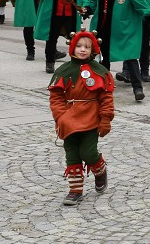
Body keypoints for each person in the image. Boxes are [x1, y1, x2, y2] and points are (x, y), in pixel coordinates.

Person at [49, 30, 114, 206]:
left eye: (87, 47)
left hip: (91, 118)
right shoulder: (64, 70)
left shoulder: (100, 72)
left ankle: (100, 170)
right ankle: (75, 191)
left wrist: (105, 119)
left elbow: (106, 98)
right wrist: (60, 116)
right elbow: (56, 97)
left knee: (88, 152)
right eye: (79, 46)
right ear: (72, 47)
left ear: (93, 49)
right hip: (68, 120)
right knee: (72, 155)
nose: (82, 49)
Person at [88, 0, 150, 103]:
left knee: (131, 57)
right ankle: (104, 88)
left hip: (123, 27)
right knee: (103, 58)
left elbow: (140, 2)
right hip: (102, 26)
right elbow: (92, 2)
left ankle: (137, 88)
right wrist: (86, 8)